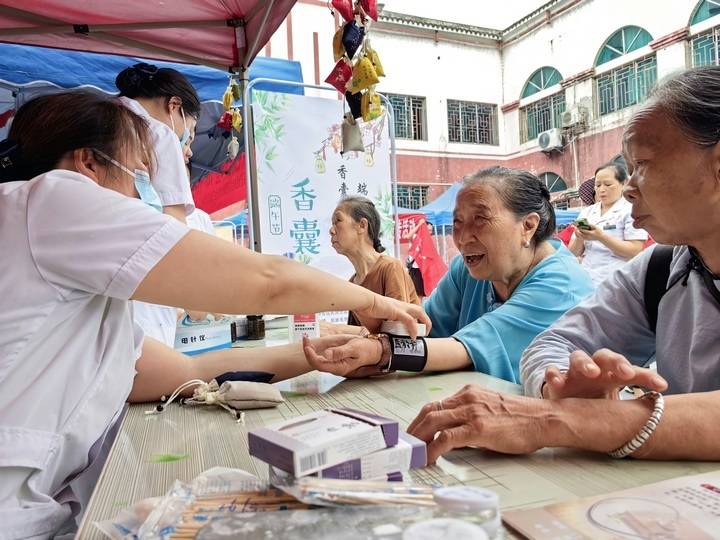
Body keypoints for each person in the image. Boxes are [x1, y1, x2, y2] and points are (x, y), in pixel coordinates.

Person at [0, 91, 429, 539]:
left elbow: (185, 370)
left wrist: (314, 353)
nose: (142, 191)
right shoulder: (52, 201)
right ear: (88, 163)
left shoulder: (82, 292)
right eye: (139, 174)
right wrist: (372, 302)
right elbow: (266, 281)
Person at [406, 66, 720, 465]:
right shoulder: (660, 270)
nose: (629, 187)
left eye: (642, 163)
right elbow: (549, 346)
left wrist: (564, 419)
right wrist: (562, 386)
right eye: (457, 223)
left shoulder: (559, 277)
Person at [304, 167, 594, 383]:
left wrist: (379, 352)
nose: (463, 237)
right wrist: (351, 340)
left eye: (480, 219)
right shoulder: (468, 271)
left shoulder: (561, 284)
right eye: (457, 222)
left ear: (528, 226)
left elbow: (468, 346)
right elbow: (421, 329)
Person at [116, 62, 202, 346]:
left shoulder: (97, 118)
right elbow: (176, 235)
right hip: (141, 303)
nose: (187, 149)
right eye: (188, 133)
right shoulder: (157, 133)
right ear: (173, 105)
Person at [322, 196, 420, 335]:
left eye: (338, 221)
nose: (331, 230)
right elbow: (356, 338)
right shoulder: (352, 283)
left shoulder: (390, 267)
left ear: (362, 225)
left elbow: (400, 332)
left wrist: (336, 329)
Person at [569, 162, 648, 286]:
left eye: (608, 184)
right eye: (598, 185)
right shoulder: (586, 213)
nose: (602, 189)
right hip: (587, 278)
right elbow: (573, 253)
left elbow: (635, 250)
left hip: (618, 279)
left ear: (623, 184)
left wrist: (601, 237)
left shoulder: (631, 210)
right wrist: (580, 238)